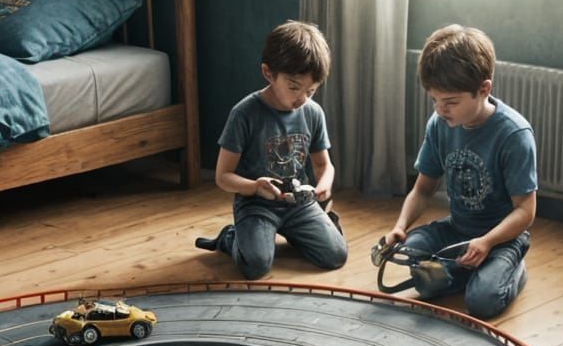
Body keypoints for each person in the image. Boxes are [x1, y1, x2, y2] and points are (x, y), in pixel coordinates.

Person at [380, 25, 536, 318]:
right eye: (435, 100)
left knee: (482, 302)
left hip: (501, 238)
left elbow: (525, 212)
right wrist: (400, 226)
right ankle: (467, 270)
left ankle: (510, 269)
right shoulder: (439, 124)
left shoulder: (515, 134)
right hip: (459, 228)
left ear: (484, 89)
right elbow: (423, 189)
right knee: (411, 256)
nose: (440, 110)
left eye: (450, 102)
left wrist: (488, 242)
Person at [195, 20, 347, 279]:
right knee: (255, 266)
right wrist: (255, 187)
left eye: (311, 90)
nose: (302, 98)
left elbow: (324, 165)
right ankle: (231, 238)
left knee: (335, 255)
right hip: (256, 204)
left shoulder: (312, 112)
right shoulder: (245, 113)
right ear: (268, 73)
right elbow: (223, 176)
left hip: (298, 203)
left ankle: (308, 232)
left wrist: (324, 184)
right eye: (294, 87)